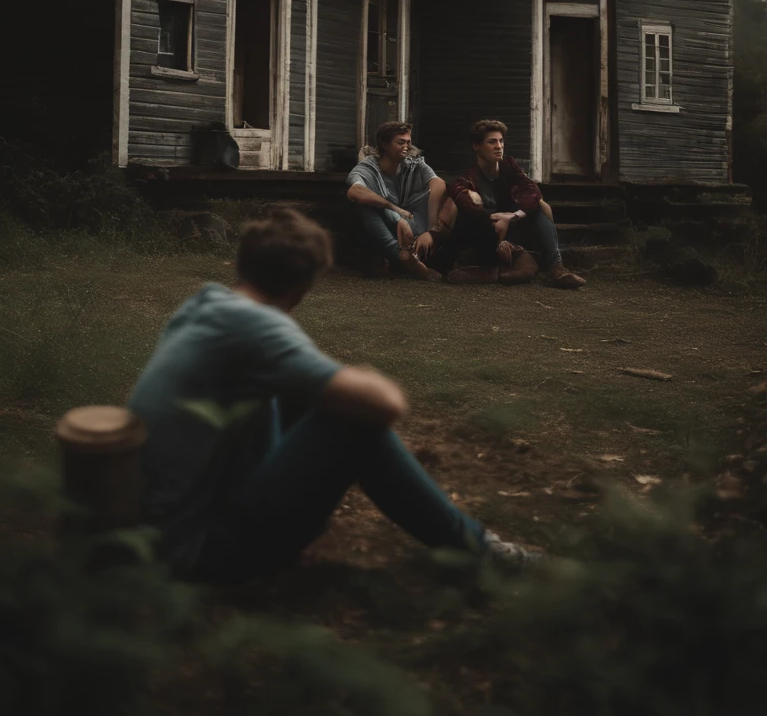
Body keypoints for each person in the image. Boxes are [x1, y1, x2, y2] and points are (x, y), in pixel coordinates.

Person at [128, 208, 542, 582]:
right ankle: (478, 550)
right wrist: (355, 379)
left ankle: (471, 545)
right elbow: (388, 403)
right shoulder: (258, 328)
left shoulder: (205, 305)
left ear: (243, 264)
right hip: (200, 555)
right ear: (304, 285)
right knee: (355, 420)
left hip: (161, 534)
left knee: (305, 396)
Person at [442, 119, 586, 289]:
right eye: (492, 142)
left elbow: (533, 192)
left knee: (539, 207)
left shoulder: (509, 167)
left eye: (501, 141)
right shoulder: (469, 178)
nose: (499, 146)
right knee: (469, 203)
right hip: (484, 236)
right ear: (476, 146)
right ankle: (483, 269)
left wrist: (512, 217)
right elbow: (458, 193)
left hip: (512, 234)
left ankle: (556, 267)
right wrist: (492, 218)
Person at [345, 120, 447, 281]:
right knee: (367, 205)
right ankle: (403, 258)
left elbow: (438, 184)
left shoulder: (413, 164)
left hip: (411, 224)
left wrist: (430, 228)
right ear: (385, 144)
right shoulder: (369, 167)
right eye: (400, 142)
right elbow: (354, 191)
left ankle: (404, 258)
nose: (406, 146)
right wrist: (395, 211)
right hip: (382, 226)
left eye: (408, 142)